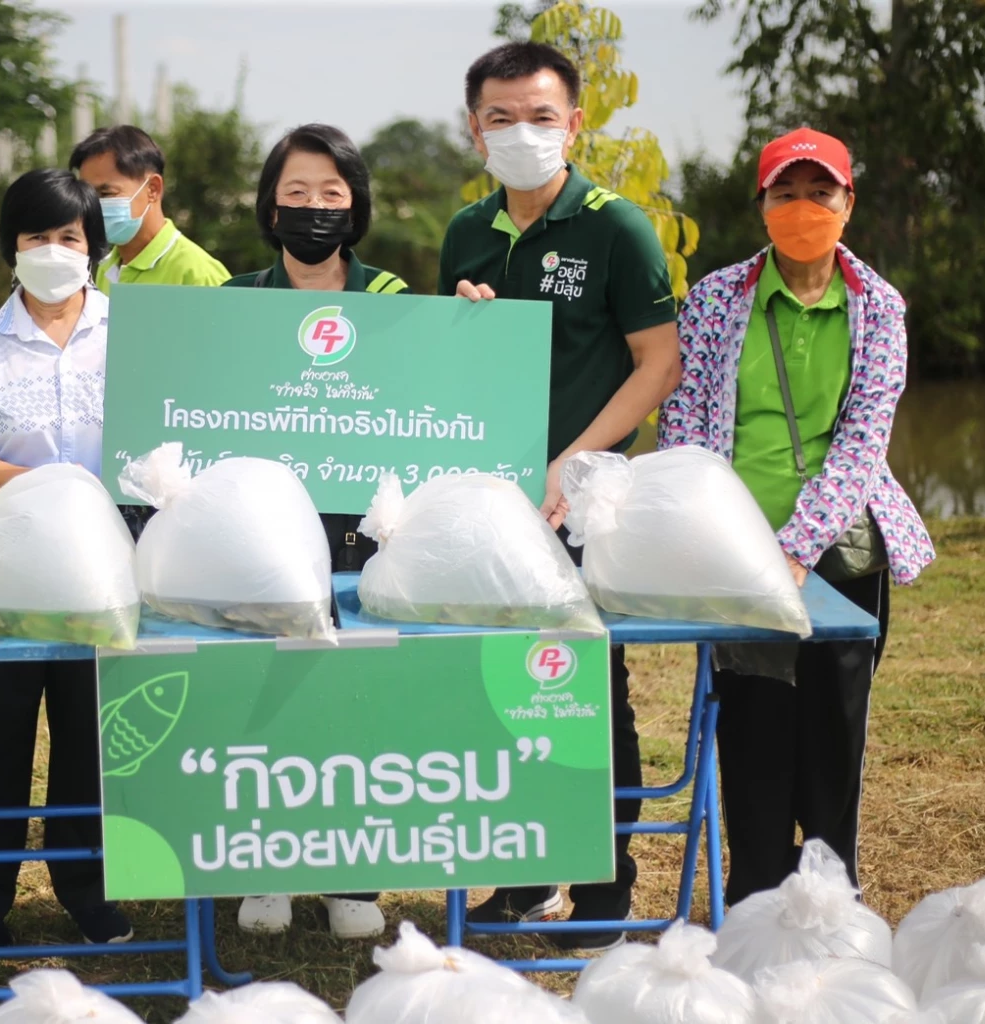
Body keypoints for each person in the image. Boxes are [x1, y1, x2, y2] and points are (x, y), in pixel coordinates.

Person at [440, 41, 682, 952]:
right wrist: (460, 323)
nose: (521, 133)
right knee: (497, 684)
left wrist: (571, 464)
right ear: (474, 131)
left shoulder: (615, 228)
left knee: (582, 687)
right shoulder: (464, 233)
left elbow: (657, 363)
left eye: (540, 116)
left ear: (574, 123)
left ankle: (603, 885)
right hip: (488, 503)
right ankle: (522, 872)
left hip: (579, 499)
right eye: (499, 118)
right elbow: (451, 371)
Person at [659, 128, 935, 904]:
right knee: (750, 741)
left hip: (839, 557)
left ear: (848, 203)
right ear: (761, 205)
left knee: (829, 746)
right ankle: (751, 908)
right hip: (732, 554)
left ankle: (827, 908)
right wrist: (715, 536)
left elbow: (860, 442)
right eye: (785, 193)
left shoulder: (877, 307)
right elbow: (681, 420)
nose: (802, 207)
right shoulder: (716, 298)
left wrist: (795, 547)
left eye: (820, 192)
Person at [0, 169, 133, 946]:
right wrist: (56, 487)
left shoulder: (134, 333)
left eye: (69, 238)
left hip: (106, 573)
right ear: (11, 247)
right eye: (36, 236)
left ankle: (91, 894)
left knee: (95, 742)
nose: (53, 251)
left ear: (94, 249)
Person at [222, 123, 409, 942]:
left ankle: (351, 876)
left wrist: (472, 322)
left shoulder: (396, 302)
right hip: (259, 533)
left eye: (330, 194)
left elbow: (436, 395)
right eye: (295, 192)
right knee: (263, 689)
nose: (312, 208)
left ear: (355, 205)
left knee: (356, 697)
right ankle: (264, 865)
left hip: (361, 534)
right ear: (270, 206)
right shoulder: (229, 305)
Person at [70, 125, 230, 292]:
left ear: (153, 189)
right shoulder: (106, 268)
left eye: (107, 193)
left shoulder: (198, 274)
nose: (95, 205)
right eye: (88, 195)